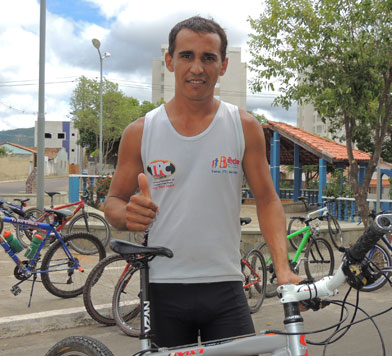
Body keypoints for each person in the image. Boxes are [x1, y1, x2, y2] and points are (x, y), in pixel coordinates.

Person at [104, 15, 301, 348]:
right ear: (170, 61)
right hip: (163, 288)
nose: (197, 67)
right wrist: (126, 215)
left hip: (225, 286)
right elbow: (113, 202)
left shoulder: (244, 126)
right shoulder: (141, 131)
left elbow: (267, 200)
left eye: (208, 57)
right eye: (186, 56)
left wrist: (283, 269)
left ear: (223, 65)